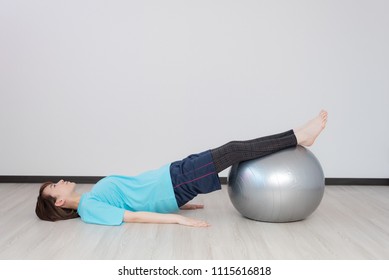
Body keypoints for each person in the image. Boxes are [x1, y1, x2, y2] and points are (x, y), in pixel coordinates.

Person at [35, 110, 328, 227]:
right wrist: (177, 221)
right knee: (235, 149)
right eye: (55, 187)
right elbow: (133, 216)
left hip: (172, 176)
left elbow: (134, 194)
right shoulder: (90, 208)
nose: (60, 181)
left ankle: (299, 134)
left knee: (233, 148)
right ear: (59, 201)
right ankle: (300, 135)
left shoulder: (92, 198)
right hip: (175, 183)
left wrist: (181, 207)